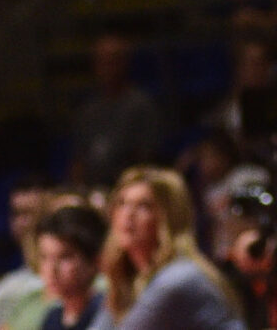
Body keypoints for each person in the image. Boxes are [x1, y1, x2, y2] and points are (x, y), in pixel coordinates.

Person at [93, 165, 247, 329]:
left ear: (169, 218)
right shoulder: (131, 278)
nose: (128, 214)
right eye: (122, 203)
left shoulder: (177, 278)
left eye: (144, 206)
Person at [69, 33, 163, 188]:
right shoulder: (88, 109)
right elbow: (78, 158)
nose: (106, 68)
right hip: (94, 188)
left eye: (112, 61)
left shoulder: (141, 105)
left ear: (125, 63)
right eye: (101, 61)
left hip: (128, 187)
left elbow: (147, 158)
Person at [0, 176, 58, 330]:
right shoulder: (7, 287)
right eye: (16, 214)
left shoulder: (74, 282)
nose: (23, 223)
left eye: (31, 213)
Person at [34, 204, 108, 330]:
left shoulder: (106, 312)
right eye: (44, 257)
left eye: (64, 257)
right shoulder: (52, 318)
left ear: (94, 261)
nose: (52, 270)